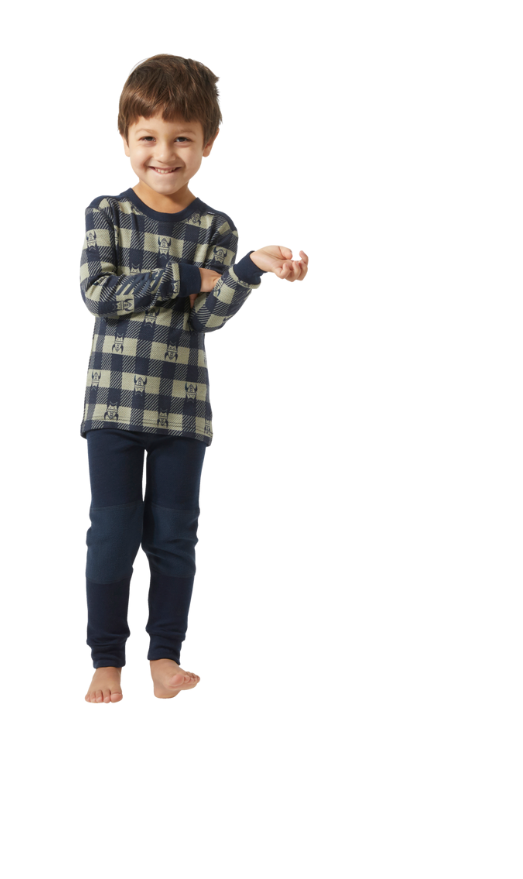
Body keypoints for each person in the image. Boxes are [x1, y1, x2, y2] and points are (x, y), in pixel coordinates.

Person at [78, 54, 308, 703]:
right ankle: (106, 659)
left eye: (182, 138)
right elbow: (99, 293)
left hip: (183, 414)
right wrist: (181, 277)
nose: (165, 154)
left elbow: (207, 315)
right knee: (113, 537)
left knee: (174, 540)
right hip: (113, 410)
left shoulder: (216, 228)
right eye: (148, 137)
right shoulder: (108, 213)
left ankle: (165, 657)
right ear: (125, 138)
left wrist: (250, 268)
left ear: (208, 142)